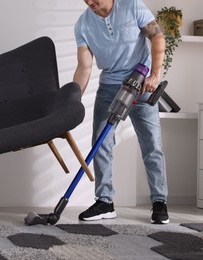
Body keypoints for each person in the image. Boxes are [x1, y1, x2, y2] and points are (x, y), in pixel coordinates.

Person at [73, 0, 169, 224]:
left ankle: (159, 202)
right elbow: (84, 67)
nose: (90, 2)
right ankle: (105, 201)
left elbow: (157, 36)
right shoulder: (82, 25)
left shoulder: (132, 6)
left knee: (151, 144)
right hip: (109, 87)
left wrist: (155, 75)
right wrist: (72, 100)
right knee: (101, 141)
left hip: (142, 82)